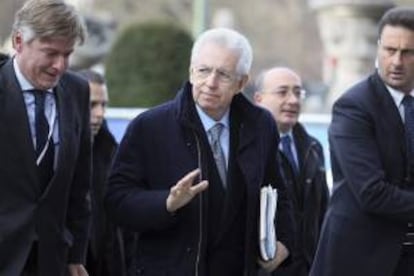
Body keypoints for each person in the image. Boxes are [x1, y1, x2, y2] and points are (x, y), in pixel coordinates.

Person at [105, 27, 294, 276]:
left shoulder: (260, 126)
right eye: (203, 71)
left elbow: (278, 192)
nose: (211, 83)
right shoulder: (149, 127)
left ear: (242, 83)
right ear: (191, 72)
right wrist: (166, 203)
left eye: (223, 74)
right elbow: (116, 201)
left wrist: (283, 243)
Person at [310, 6, 414, 276]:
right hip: (359, 258)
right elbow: (372, 193)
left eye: (407, 52)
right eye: (390, 50)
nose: (397, 61)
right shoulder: (354, 106)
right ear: (378, 49)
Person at [0, 0, 91, 275]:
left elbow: (79, 183)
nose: (60, 66)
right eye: (50, 53)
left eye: (68, 54)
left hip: (51, 259)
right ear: (18, 42)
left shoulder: (77, 91)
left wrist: (76, 254)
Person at [254, 67, 329, 276]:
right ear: (258, 99)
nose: (293, 100)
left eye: (298, 92)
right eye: (282, 92)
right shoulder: (249, 150)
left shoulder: (313, 148)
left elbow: (323, 211)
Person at [77, 69, 126, 276]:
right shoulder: (53, 153)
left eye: (104, 105)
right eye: (91, 105)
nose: (100, 114)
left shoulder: (111, 152)